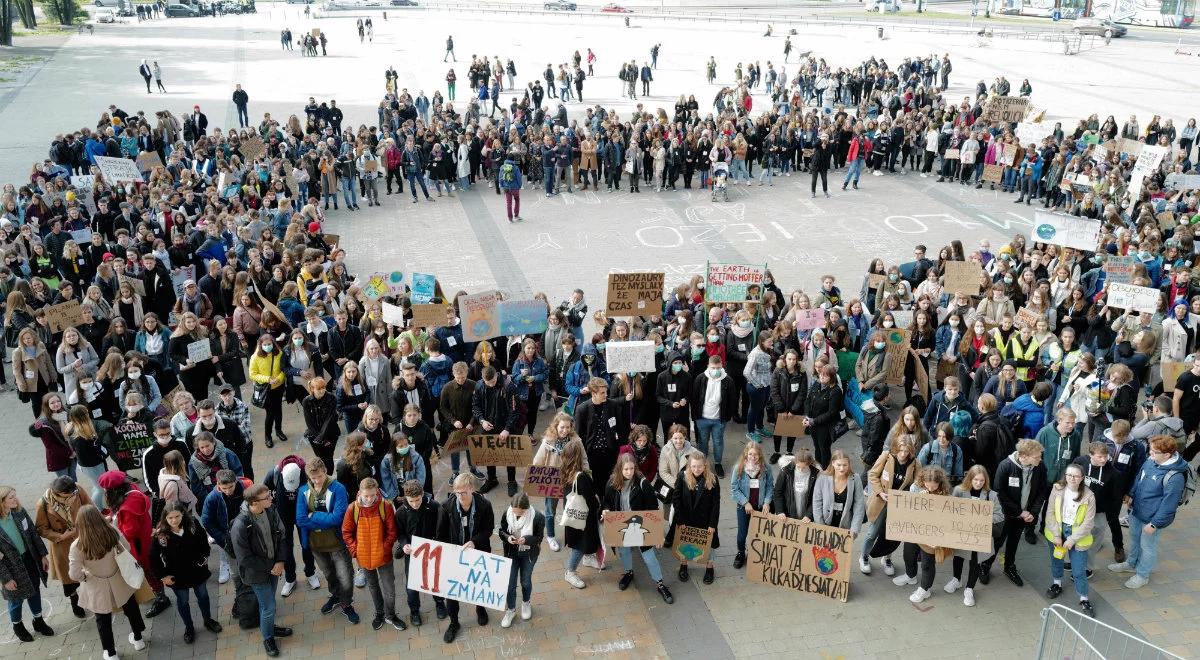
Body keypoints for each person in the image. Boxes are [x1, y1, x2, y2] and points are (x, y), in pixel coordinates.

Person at [1108, 434, 1190, 589]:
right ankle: (1131, 563)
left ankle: (1142, 575)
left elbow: (1169, 505)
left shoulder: (1175, 477)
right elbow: (1139, 478)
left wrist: (1154, 524)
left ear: (1167, 455)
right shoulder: (1151, 461)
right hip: (1137, 510)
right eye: (1150, 451)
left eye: (1154, 452)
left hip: (1152, 519)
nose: (1150, 455)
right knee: (1134, 539)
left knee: (1148, 547)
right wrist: (1131, 494)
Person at [69, 505, 148, 658]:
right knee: (131, 608)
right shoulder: (112, 531)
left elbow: (74, 574)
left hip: (96, 584)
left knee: (103, 620)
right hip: (119, 577)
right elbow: (127, 547)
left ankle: (111, 653)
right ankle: (138, 639)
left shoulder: (77, 545)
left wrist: (85, 576)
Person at [230, 484, 294, 657]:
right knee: (268, 606)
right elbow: (244, 558)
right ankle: (268, 638)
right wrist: (272, 566)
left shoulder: (271, 510)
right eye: (266, 497)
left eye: (269, 496)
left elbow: (282, 534)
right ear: (254, 503)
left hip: (274, 567)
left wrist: (280, 561)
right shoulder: (240, 525)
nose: (271, 499)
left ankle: (269, 628)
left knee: (269, 603)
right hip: (257, 573)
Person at [296, 458, 359, 625]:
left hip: (337, 543)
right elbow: (300, 519)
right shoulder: (303, 491)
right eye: (313, 478)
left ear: (325, 471)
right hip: (316, 544)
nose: (316, 480)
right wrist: (325, 519)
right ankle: (336, 596)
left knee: (345, 576)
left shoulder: (338, 488)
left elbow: (338, 518)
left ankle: (346, 603)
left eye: (319, 476)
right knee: (329, 574)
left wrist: (314, 516)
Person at [150, 501, 222, 644]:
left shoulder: (193, 525)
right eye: (170, 518)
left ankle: (208, 620)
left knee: (203, 596)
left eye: (177, 516)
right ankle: (189, 628)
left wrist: (204, 557)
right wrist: (163, 576)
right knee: (183, 602)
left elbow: (203, 541)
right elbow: (153, 558)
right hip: (177, 575)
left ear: (182, 514)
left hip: (197, 570)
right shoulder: (161, 536)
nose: (174, 520)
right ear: (165, 518)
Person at [436, 473, 494, 643]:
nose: (460, 496)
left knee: (478, 584)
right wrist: (450, 553)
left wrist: (474, 542)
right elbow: (441, 534)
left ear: (472, 489)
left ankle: (480, 609)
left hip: (478, 552)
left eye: (464, 492)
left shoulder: (484, 505)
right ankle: (454, 623)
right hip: (455, 555)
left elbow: (488, 529)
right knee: (452, 592)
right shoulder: (446, 507)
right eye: (457, 493)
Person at [341, 478, 405, 631]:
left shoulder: (385, 506)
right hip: (364, 558)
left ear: (377, 492)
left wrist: (385, 548)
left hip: (384, 558)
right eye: (366, 496)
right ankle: (379, 613)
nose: (369, 499)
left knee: (389, 588)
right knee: (373, 586)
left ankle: (390, 615)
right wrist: (355, 551)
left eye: (372, 495)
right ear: (360, 493)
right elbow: (346, 532)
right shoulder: (353, 509)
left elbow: (392, 532)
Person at [990, 439, 1048, 587]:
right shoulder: (1006, 466)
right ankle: (985, 565)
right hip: (1004, 514)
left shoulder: (1040, 467)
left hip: (1025, 514)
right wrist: (1019, 512)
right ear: (1023, 456)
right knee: (997, 541)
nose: (1040, 459)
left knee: (1014, 542)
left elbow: (1042, 491)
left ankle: (1009, 567)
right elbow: (999, 492)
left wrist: (1032, 513)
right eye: (1036, 457)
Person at [893, 466, 954, 604]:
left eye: (934, 487)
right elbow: (908, 509)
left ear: (940, 483)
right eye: (928, 485)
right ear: (923, 481)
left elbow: (947, 518)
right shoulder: (916, 487)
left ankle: (925, 589)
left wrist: (939, 539)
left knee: (927, 563)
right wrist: (918, 500)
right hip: (915, 529)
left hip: (932, 534)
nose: (931, 489)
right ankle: (910, 575)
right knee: (908, 554)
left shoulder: (946, 494)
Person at [34, 476, 92, 620]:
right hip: (62, 545)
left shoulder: (77, 489)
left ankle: (92, 596)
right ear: (57, 493)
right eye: (68, 496)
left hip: (83, 538)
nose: (72, 497)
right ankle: (75, 602)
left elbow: (90, 507)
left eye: (73, 494)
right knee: (69, 577)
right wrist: (61, 536)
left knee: (89, 570)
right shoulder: (43, 503)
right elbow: (41, 529)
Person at [0, 485, 53, 643]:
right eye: (11, 497)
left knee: (35, 590)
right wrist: (6, 579)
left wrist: (43, 555)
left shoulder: (19, 512)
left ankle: (38, 621)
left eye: (15, 496)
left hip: (30, 560)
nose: (15, 499)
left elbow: (33, 533)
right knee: (15, 600)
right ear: (1, 502)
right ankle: (18, 626)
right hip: (11, 568)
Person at [1043, 463, 1097, 617]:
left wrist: (1072, 539)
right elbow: (1050, 512)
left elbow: (1089, 523)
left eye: (1076, 476)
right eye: (1069, 475)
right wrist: (1056, 535)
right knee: (1057, 560)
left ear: (1082, 478)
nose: (1072, 478)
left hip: (1078, 536)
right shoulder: (1057, 489)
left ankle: (1084, 598)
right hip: (1057, 531)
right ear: (1065, 475)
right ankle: (1057, 584)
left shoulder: (1089, 496)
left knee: (1079, 570)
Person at [860, 435, 917, 576]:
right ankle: (864, 557)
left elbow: (917, 484)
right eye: (901, 450)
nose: (903, 454)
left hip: (898, 505)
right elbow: (873, 474)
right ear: (896, 449)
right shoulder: (886, 456)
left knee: (892, 535)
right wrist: (879, 492)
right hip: (881, 502)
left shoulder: (915, 463)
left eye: (906, 451)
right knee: (872, 533)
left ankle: (887, 558)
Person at [532, 413, 587, 553]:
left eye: (568, 427)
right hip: (552, 481)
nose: (565, 430)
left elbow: (584, 460)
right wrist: (538, 479)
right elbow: (537, 462)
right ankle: (550, 536)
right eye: (562, 427)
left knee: (570, 509)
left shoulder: (576, 441)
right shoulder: (547, 441)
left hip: (570, 480)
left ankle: (571, 537)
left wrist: (587, 476)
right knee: (550, 511)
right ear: (556, 426)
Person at [948, 465, 1003, 606]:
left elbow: (999, 515)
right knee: (958, 556)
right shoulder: (959, 491)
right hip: (962, 531)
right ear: (970, 478)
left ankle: (969, 588)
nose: (978, 483)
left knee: (975, 560)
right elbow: (950, 510)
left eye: (982, 481)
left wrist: (983, 517)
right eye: (976, 480)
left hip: (980, 534)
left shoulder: (991, 495)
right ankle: (956, 579)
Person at [395, 479, 445, 627]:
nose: (415, 504)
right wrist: (404, 545)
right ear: (406, 498)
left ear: (423, 494)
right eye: (411, 501)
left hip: (432, 550)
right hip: (413, 554)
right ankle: (414, 611)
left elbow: (441, 526)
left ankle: (440, 603)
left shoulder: (434, 506)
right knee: (412, 585)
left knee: (436, 579)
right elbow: (400, 534)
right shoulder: (400, 513)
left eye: (418, 500)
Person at [497, 492, 545, 627]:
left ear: (526, 509)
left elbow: (539, 537)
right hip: (511, 553)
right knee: (510, 584)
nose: (516, 515)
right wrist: (508, 538)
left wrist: (527, 540)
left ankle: (526, 603)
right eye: (514, 512)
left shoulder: (538, 517)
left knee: (525, 581)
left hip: (528, 554)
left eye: (519, 513)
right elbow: (501, 531)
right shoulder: (507, 513)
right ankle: (510, 610)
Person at [672, 453, 720, 584]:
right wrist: (680, 520)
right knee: (684, 542)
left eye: (699, 466)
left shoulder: (713, 479)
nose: (696, 469)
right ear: (689, 466)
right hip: (686, 519)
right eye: (693, 466)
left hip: (705, 519)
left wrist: (712, 524)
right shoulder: (682, 476)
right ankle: (684, 565)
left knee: (709, 545)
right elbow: (676, 499)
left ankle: (709, 568)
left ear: (705, 466)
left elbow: (716, 504)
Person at [730, 442, 773, 569]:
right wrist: (745, 502)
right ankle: (741, 553)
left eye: (756, 455)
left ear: (760, 455)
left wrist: (767, 501)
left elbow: (770, 486)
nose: (753, 457)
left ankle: (755, 555)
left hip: (760, 506)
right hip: (744, 507)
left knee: (758, 534)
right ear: (746, 454)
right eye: (750, 454)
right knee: (742, 534)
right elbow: (734, 489)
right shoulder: (739, 468)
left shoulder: (766, 468)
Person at [690, 356, 735, 477]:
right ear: (708, 367)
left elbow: (732, 400)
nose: (716, 370)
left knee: (718, 441)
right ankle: (702, 464)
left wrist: (727, 417)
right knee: (703, 442)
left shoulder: (728, 380)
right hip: (702, 418)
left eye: (718, 368)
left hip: (719, 420)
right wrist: (695, 417)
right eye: (713, 368)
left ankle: (717, 463)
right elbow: (694, 398)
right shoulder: (700, 378)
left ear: (722, 366)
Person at [249, 335, 286, 447]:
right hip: (266, 389)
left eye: (269, 344)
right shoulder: (255, 357)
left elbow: (284, 368)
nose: (267, 346)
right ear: (260, 345)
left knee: (278, 410)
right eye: (264, 345)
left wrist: (279, 378)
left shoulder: (279, 353)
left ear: (273, 343)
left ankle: (279, 431)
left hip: (279, 387)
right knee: (270, 413)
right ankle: (268, 436)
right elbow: (252, 374)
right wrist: (267, 379)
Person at [806, 364, 845, 469]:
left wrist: (814, 421)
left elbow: (831, 413)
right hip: (813, 423)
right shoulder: (816, 384)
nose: (822, 377)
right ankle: (818, 467)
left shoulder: (835, 391)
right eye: (821, 374)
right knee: (816, 447)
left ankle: (826, 469)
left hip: (825, 426)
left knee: (824, 449)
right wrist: (807, 416)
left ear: (832, 378)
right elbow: (808, 400)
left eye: (825, 376)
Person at [771, 448, 818, 521]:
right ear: (795, 462)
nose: (801, 470)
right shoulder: (786, 472)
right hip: (787, 515)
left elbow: (816, 498)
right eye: (798, 467)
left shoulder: (815, 475)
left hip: (806, 517)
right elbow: (778, 492)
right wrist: (780, 511)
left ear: (809, 464)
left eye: (804, 467)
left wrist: (809, 515)